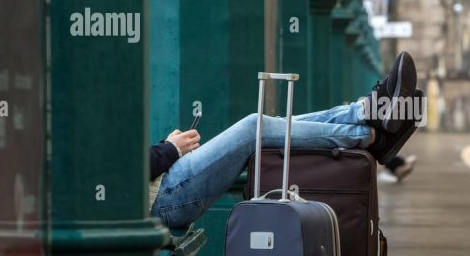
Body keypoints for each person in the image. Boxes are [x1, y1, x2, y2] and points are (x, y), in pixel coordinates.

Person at [149, 52, 420, 230]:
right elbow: (131, 169)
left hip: (166, 183)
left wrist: (166, 147)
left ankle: (368, 118)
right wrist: (170, 149)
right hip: (163, 198)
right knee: (255, 128)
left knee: (271, 126)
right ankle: (370, 130)